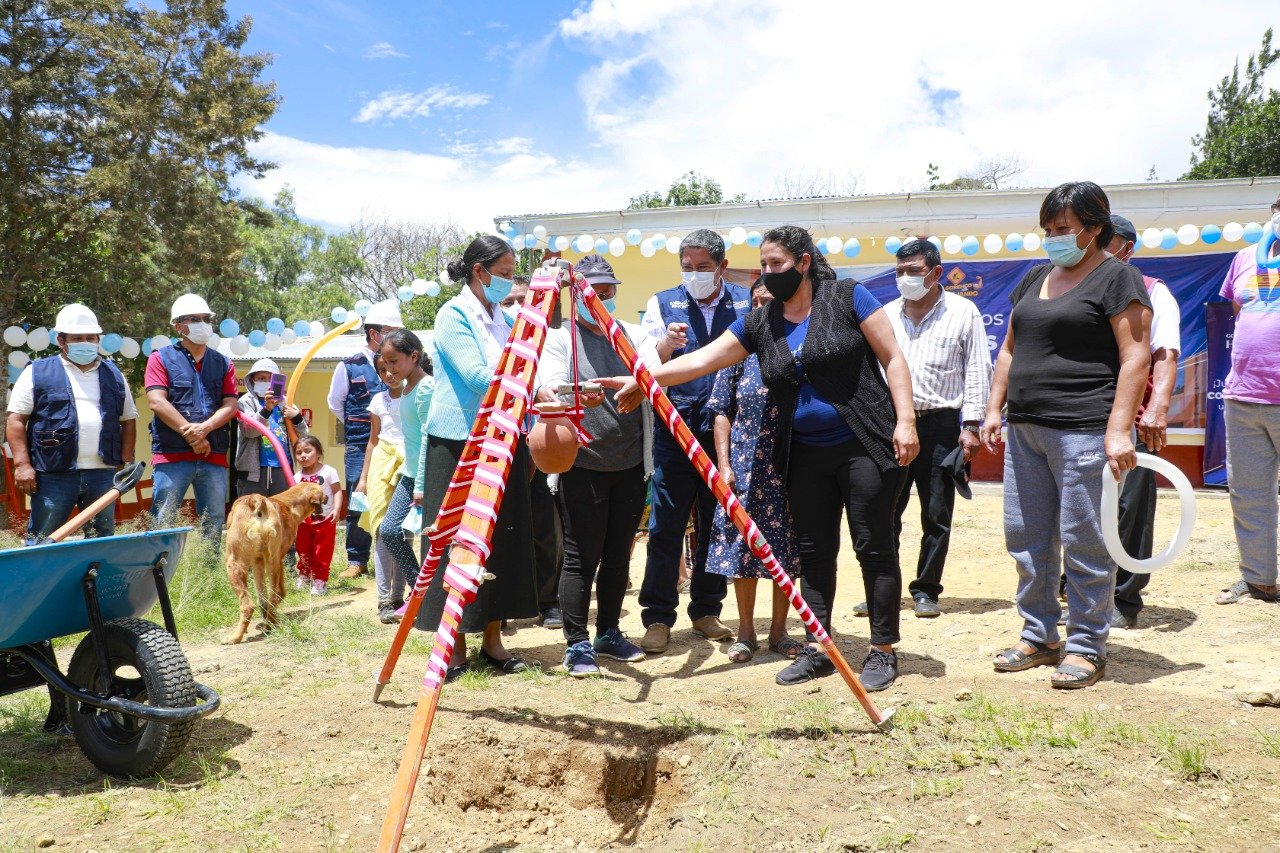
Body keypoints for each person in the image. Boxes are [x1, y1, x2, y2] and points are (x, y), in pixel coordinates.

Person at [611, 225, 919, 691]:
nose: (770, 273)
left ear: (804, 262)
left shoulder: (848, 297)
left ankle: (882, 650)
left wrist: (906, 421)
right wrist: (646, 379)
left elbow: (893, 357)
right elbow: (702, 360)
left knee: (873, 546)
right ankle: (820, 646)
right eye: (765, 266)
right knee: (814, 554)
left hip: (864, 443)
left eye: (778, 264)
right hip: (803, 453)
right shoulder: (762, 321)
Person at [981, 181, 1152, 690]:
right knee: (1027, 538)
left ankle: (1085, 645)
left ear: (1095, 229)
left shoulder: (1119, 279)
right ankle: (1039, 634)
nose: (1053, 238)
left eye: (1064, 230)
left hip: (1083, 431)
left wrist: (1119, 429)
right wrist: (994, 408)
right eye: (1048, 230)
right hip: (1026, 430)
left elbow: (1136, 356)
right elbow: (1010, 349)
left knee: (1084, 541)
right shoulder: (1035, 277)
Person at [416, 236, 539, 680]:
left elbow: (521, 365)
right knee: (455, 539)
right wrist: (528, 390)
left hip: (502, 437)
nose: (508, 281)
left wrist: (533, 391)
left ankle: (493, 639)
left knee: (501, 538)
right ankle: (454, 645)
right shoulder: (452, 314)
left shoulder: (504, 318)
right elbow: (475, 375)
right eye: (503, 273)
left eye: (511, 273)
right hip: (458, 441)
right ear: (478, 271)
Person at [634, 229, 751, 654]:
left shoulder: (746, 300)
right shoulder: (661, 303)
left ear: (722, 266)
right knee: (666, 523)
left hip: (726, 428)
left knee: (715, 523)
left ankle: (705, 609)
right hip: (675, 425)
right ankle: (658, 617)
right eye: (688, 267)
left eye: (703, 267)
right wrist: (666, 345)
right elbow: (645, 365)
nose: (695, 275)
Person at [535, 254, 653, 676]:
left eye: (607, 292)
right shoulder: (559, 340)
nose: (600, 299)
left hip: (630, 463)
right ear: (574, 296)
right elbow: (546, 384)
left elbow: (654, 373)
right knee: (580, 556)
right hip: (582, 463)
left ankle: (607, 633)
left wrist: (646, 378)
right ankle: (577, 643)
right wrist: (569, 394)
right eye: (592, 292)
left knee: (619, 554)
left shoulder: (631, 336)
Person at [874, 238, 991, 618]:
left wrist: (971, 426)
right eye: (900, 272)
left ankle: (926, 589)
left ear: (937, 273)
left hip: (941, 425)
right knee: (885, 509)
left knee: (936, 512)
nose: (905, 278)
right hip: (892, 424)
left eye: (914, 272)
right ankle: (882, 588)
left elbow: (977, 370)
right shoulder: (885, 315)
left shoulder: (963, 312)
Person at [705, 278, 804, 663]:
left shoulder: (797, 344)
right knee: (743, 548)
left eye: (770, 300)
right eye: (756, 300)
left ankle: (779, 632)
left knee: (786, 549)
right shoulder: (738, 350)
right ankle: (746, 632)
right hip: (744, 467)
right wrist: (724, 465)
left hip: (789, 464)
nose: (762, 305)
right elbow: (720, 412)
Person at [1105, 215, 1183, 626]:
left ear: (1127, 249)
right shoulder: (1080, 287)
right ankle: (1087, 589)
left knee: (1130, 509)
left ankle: (1124, 599)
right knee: (1086, 506)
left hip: (1131, 419)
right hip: (1086, 416)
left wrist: (1156, 409)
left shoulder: (1154, 292)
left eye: (1107, 241)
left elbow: (1165, 354)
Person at [5, 303, 138, 543]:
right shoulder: (36, 372)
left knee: (100, 539)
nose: (85, 342)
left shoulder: (114, 374)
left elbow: (128, 420)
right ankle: (38, 581)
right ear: (61, 340)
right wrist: (23, 465)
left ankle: (94, 581)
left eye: (91, 337)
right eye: (77, 338)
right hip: (53, 474)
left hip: (102, 474)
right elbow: (16, 420)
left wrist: (124, 460)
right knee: (43, 539)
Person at [1215, 194, 1280, 605]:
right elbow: (1239, 310)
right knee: (1249, 492)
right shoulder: (1243, 259)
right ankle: (1259, 579)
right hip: (1244, 396)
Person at [145, 293, 238, 540]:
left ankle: (209, 572)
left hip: (213, 455)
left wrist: (204, 429)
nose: (203, 324)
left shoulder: (223, 363)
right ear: (178, 326)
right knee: (163, 518)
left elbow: (231, 405)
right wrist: (193, 435)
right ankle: (157, 575)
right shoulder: (160, 358)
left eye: (206, 319)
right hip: (171, 455)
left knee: (214, 520)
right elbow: (156, 401)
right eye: (195, 319)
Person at [503, 271, 565, 628]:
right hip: (502, 448)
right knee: (504, 530)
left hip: (543, 448)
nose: (514, 309)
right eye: (507, 302)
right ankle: (506, 605)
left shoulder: (551, 342)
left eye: (521, 302)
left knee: (546, 528)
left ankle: (548, 600)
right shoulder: (494, 341)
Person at [327, 299, 402, 579]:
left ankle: (391, 556)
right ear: (375, 334)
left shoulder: (401, 363)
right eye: (392, 331)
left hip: (396, 442)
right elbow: (335, 403)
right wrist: (364, 426)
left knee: (394, 497)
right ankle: (357, 560)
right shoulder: (348, 366)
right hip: (361, 443)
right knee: (360, 497)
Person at [375, 331, 433, 621]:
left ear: (414, 356)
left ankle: (427, 599)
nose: (390, 370)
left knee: (430, 540)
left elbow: (427, 439)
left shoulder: (425, 388)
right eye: (385, 364)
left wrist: (420, 485)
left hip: (423, 479)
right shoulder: (408, 388)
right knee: (388, 531)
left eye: (394, 361)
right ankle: (422, 592)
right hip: (408, 474)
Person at [356, 358, 409, 623]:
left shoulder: (418, 394)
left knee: (404, 532)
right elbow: (373, 440)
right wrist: (363, 478)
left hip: (408, 463)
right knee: (381, 531)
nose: (389, 374)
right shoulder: (378, 401)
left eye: (393, 367)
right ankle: (383, 599)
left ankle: (399, 597)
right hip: (381, 463)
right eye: (383, 370)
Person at [233, 358, 307, 500]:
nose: (266, 382)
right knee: (253, 515)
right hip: (254, 472)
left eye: (270, 379)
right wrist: (266, 409)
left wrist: (297, 417)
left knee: (281, 514)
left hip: (283, 467)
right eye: (261, 378)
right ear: (252, 380)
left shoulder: (285, 402)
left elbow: (303, 436)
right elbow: (250, 431)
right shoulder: (245, 401)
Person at [294, 435, 343, 596]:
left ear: (319, 452)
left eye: (308, 451)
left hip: (325, 520)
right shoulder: (296, 477)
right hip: (304, 521)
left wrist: (336, 509)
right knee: (302, 549)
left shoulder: (329, 472)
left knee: (322, 551)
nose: (303, 455)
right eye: (299, 452)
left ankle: (320, 580)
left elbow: (337, 492)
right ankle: (304, 574)